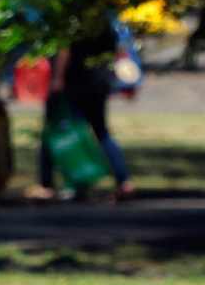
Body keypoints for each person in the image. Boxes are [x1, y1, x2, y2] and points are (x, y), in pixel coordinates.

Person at [31, 20, 136, 201]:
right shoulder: (102, 20)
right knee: (102, 132)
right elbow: (118, 50)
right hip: (98, 83)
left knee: (53, 131)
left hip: (74, 84)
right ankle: (123, 181)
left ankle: (46, 184)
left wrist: (57, 79)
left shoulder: (70, 19)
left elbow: (64, 50)